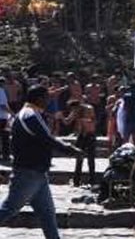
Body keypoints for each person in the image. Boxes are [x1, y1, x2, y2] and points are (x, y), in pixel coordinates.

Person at [0, 85, 84, 239]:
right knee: (8, 209)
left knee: (47, 215)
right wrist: (70, 149)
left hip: (38, 174)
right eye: (47, 97)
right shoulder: (30, 115)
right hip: (28, 174)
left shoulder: (30, 113)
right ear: (39, 99)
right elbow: (48, 139)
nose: (49, 100)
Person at [62, 99, 97, 187]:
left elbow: (93, 121)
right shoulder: (75, 111)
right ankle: (76, 181)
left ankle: (92, 180)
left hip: (90, 135)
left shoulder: (89, 108)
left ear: (78, 106)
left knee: (91, 159)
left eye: (74, 109)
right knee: (79, 158)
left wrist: (83, 120)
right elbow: (67, 121)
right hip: (81, 136)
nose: (73, 111)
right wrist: (61, 117)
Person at [0, 78, 10, 161]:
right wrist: (12, 114)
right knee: (5, 137)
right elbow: (3, 106)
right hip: (2, 118)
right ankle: (5, 155)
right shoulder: (1, 91)